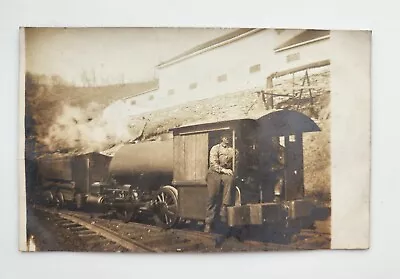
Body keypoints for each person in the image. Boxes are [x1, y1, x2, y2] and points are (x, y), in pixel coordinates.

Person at [204, 133, 237, 245]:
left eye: (228, 137)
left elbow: (235, 162)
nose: (227, 138)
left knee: (230, 179)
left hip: (225, 174)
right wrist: (224, 170)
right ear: (221, 138)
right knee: (212, 196)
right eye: (225, 136)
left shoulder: (233, 150)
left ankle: (224, 207)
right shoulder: (215, 148)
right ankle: (208, 222)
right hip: (214, 173)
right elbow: (213, 164)